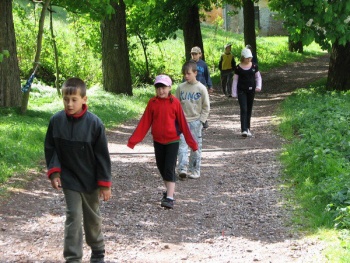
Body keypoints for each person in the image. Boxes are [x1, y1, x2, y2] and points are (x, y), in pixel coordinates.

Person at [44, 77, 112, 263]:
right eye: (66, 99)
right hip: (70, 178)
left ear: (84, 99)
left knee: (92, 218)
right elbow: (51, 148)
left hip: (90, 180)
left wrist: (105, 184)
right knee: (73, 216)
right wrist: (55, 172)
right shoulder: (56, 121)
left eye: (74, 99)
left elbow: (102, 157)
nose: (69, 103)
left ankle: (97, 249)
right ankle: (73, 257)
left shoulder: (95, 124)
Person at [127, 75, 198, 209]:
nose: (161, 91)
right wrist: (133, 141)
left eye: (164, 87)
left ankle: (170, 197)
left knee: (169, 168)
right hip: (158, 141)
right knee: (161, 167)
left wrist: (192, 143)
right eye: (158, 88)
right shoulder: (152, 103)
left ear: (170, 88)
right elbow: (144, 122)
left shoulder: (175, 103)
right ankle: (169, 191)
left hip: (173, 141)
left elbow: (183, 124)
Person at [176, 60, 210, 179]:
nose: (186, 76)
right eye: (184, 74)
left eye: (188, 73)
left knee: (195, 146)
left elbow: (206, 106)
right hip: (182, 122)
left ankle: (194, 170)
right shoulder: (180, 88)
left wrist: (201, 121)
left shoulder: (201, 88)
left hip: (196, 121)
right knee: (182, 146)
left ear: (195, 73)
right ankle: (182, 168)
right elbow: (176, 104)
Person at [231, 48, 262, 138]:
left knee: (249, 109)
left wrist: (258, 86)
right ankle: (243, 129)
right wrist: (234, 92)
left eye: (250, 57)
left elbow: (258, 77)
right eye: (247, 58)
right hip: (241, 91)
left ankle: (248, 128)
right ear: (243, 57)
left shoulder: (254, 67)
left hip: (251, 91)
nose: (249, 59)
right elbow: (235, 80)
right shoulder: (238, 68)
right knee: (243, 108)